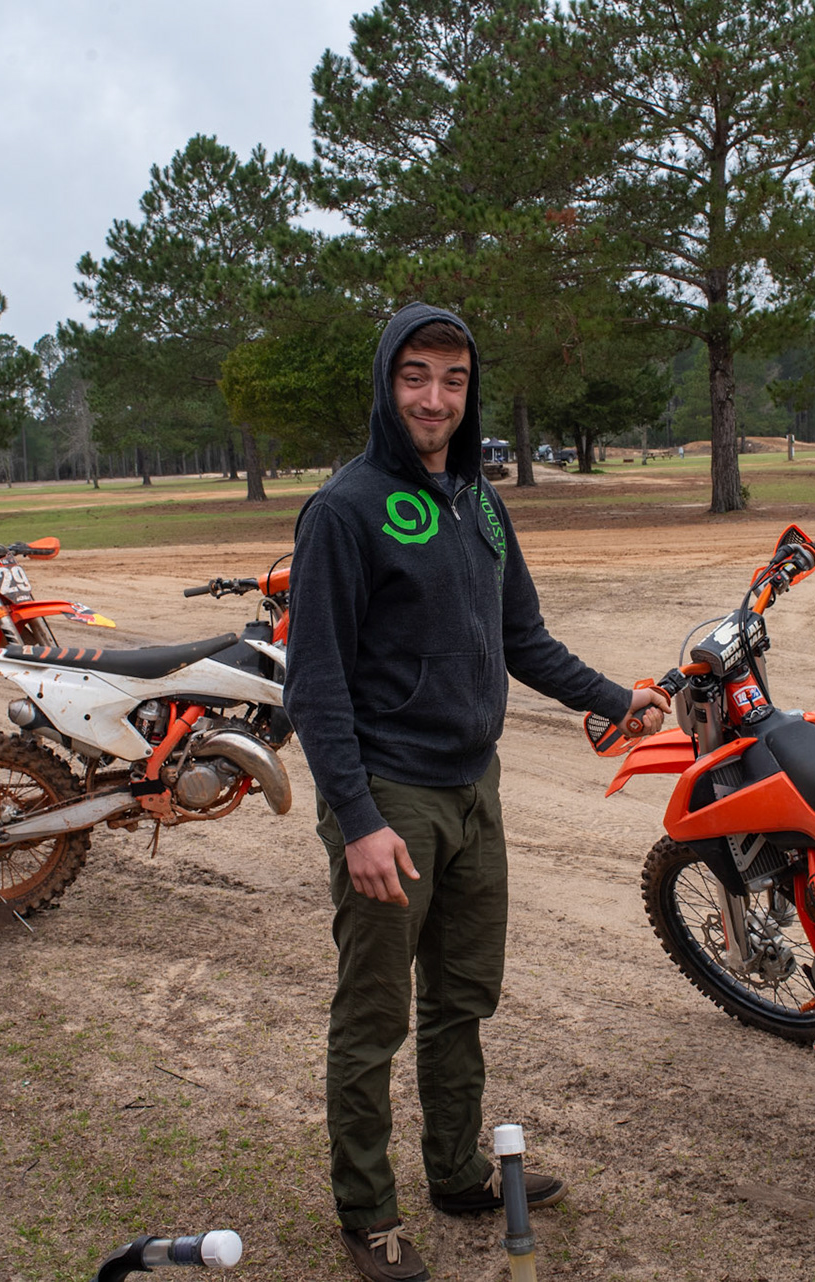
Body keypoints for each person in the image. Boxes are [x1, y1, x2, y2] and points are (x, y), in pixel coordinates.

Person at [285, 304, 668, 1282]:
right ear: (387, 382)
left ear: (471, 390)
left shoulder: (480, 503)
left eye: (453, 380)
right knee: (375, 1013)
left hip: (472, 788)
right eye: (416, 376)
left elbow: (521, 637)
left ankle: (457, 1172)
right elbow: (314, 687)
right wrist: (359, 821)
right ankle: (368, 1211)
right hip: (390, 797)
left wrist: (613, 699)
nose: (435, 398)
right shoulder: (343, 509)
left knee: (461, 998)